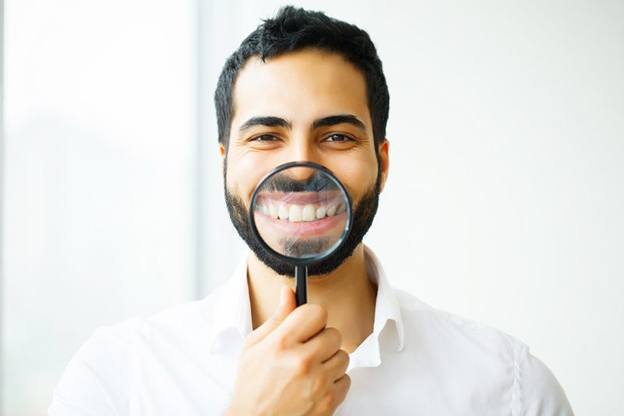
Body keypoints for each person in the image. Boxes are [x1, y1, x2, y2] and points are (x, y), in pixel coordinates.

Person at [49, 6, 574, 415]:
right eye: (266, 135)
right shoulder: (119, 378)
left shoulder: (512, 390)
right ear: (225, 164)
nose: (301, 165)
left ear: (382, 163)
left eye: (337, 135)